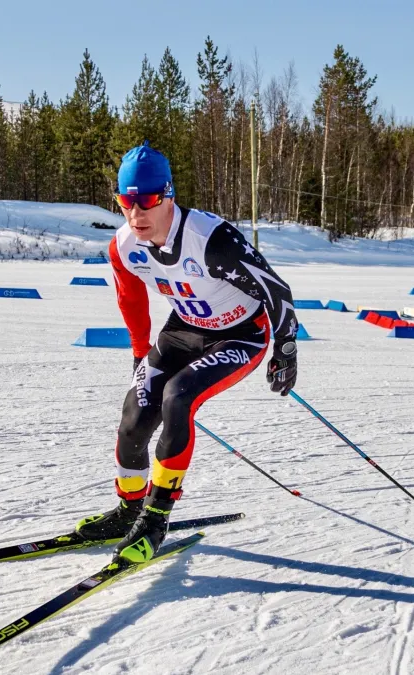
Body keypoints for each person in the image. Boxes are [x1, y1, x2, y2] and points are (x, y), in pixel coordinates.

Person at [75, 141, 300, 562]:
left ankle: (155, 520)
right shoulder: (124, 245)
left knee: (178, 398)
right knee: (135, 414)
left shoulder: (210, 240)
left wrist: (285, 350)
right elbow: (131, 299)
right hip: (183, 329)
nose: (136, 213)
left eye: (147, 200)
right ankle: (128, 510)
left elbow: (277, 291)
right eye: (126, 201)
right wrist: (140, 354)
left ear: (168, 195)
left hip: (238, 335)